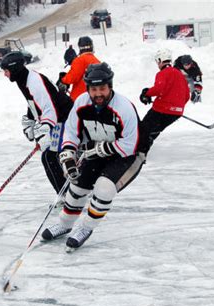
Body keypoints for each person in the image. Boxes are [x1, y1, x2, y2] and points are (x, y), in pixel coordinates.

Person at [41, 63, 141, 250]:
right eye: (93, 89)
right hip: (98, 151)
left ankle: (86, 228)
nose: (98, 94)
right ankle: (64, 225)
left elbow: (130, 145)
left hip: (127, 156)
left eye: (102, 88)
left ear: (110, 86)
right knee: (77, 186)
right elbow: (71, 131)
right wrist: (68, 155)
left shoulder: (124, 108)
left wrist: (99, 149)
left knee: (104, 188)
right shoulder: (81, 102)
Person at [1, 51, 74, 195]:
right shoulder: (24, 79)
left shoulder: (34, 82)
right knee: (52, 156)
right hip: (59, 118)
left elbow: (49, 108)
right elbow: (34, 102)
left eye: (6, 71)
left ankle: (66, 196)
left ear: (14, 69)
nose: (5, 74)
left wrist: (45, 128)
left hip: (66, 118)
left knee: (49, 157)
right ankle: (68, 191)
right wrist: (30, 120)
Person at [138, 48, 190, 154]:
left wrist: (146, 94)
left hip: (161, 110)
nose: (158, 64)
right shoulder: (180, 74)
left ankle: (139, 153)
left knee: (144, 130)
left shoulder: (163, 73)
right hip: (176, 113)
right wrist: (176, 107)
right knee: (153, 132)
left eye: (158, 61)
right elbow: (186, 96)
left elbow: (159, 89)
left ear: (161, 60)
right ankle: (142, 151)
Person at [57, 36, 100, 101]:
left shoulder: (79, 60)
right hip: (93, 97)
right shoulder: (97, 61)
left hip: (79, 98)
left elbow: (72, 77)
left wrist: (62, 80)